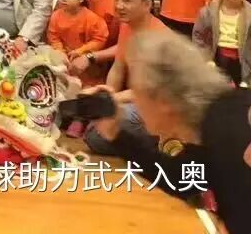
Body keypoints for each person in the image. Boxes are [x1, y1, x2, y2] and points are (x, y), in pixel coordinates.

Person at [89, 32, 251, 234]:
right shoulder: (211, 123)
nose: (134, 102)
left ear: (162, 102)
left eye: (137, 93)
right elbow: (182, 178)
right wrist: (115, 134)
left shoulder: (227, 137)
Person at [83, 0, 168, 158]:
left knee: (98, 134)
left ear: (147, 4)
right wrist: (106, 98)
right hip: (136, 102)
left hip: (160, 108)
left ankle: (163, 145)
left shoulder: (158, 38)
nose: (119, 6)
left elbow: (147, 91)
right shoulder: (127, 25)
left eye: (127, 1)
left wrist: (111, 101)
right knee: (94, 133)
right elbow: (118, 67)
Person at [46, 0, 110, 91]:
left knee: (87, 90)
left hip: (87, 64)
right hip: (64, 60)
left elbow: (100, 39)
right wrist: (60, 52)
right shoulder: (55, 16)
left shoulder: (91, 18)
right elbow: (53, 37)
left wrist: (81, 51)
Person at [192, 0, 251, 85]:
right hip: (217, 57)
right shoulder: (208, 12)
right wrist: (205, 58)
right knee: (217, 88)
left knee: (241, 90)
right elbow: (198, 36)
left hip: (243, 60)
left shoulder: (249, 14)